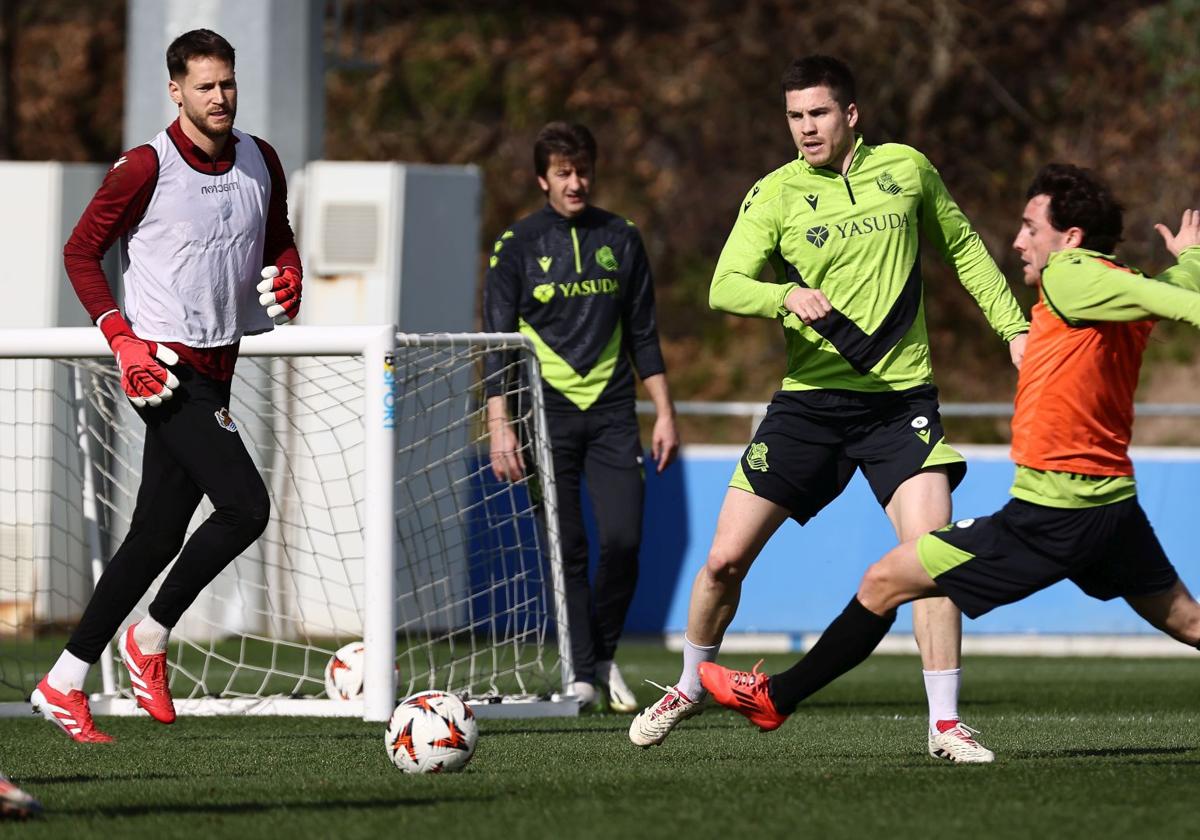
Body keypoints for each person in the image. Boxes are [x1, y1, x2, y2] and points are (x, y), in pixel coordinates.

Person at [699, 164, 1200, 745]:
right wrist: (1189, 260)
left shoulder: (1071, 275)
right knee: (1189, 620)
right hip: (1109, 506)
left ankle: (774, 699)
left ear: (1071, 238)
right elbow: (1169, 294)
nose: (1018, 241)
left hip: (1051, 514)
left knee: (884, 579)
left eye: (1030, 227)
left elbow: (1180, 304)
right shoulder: (1114, 282)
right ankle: (791, 700)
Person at [629, 55, 1028, 762]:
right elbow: (725, 285)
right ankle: (690, 685)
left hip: (899, 403)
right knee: (722, 561)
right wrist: (783, 295)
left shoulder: (907, 169)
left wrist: (1014, 329)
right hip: (809, 407)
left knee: (931, 556)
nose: (805, 129)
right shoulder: (776, 194)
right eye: (794, 116)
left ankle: (944, 725)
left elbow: (964, 248)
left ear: (850, 115)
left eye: (817, 114)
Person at [32, 28, 301, 742]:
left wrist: (290, 272)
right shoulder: (143, 167)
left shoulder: (260, 158)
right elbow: (80, 252)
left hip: (221, 362)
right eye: (205, 86)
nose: (220, 97)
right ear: (176, 91)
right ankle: (149, 639)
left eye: (228, 83)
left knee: (154, 536)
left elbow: (277, 235)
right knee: (246, 507)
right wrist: (121, 341)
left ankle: (62, 682)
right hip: (163, 371)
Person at [483, 122, 679, 710]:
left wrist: (665, 411)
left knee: (623, 540)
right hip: (544, 415)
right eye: (564, 173)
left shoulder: (621, 236)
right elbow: (496, 342)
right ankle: (580, 673)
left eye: (583, 170)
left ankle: (603, 655)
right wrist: (500, 425)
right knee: (565, 545)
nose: (576, 182)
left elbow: (644, 332)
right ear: (542, 178)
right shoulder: (515, 244)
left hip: (614, 411)